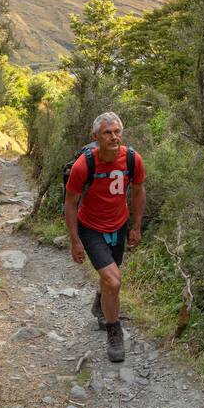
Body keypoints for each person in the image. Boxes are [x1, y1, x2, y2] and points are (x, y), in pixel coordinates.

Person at [64, 112, 145, 363]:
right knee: (113, 281)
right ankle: (114, 333)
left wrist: (136, 226)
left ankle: (100, 304)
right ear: (96, 137)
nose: (114, 137)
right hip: (91, 228)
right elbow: (70, 204)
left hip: (119, 226)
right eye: (107, 133)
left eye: (117, 131)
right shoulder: (84, 165)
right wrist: (75, 240)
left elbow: (138, 191)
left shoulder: (132, 159)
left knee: (110, 279)